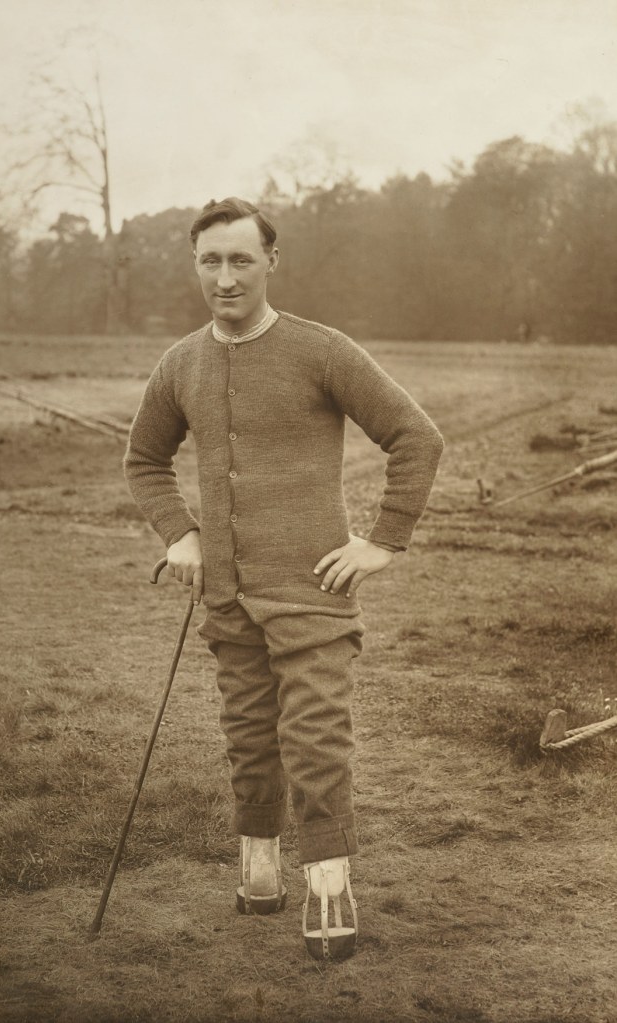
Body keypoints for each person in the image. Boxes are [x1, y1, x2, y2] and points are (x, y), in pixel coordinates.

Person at [124, 197, 444, 960]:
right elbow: (143, 460)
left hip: (312, 595)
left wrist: (382, 541)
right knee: (246, 732)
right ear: (195, 264)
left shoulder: (321, 350)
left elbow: (416, 438)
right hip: (227, 595)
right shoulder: (180, 363)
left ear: (272, 261)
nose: (225, 277)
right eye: (211, 260)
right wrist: (182, 535)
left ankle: (328, 882)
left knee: (315, 738)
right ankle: (257, 865)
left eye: (241, 259)